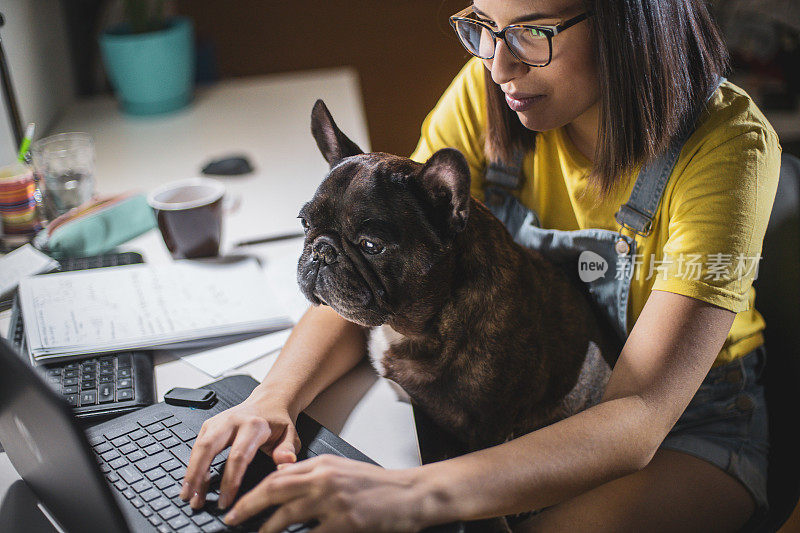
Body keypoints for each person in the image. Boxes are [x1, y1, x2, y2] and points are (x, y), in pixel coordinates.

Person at [180, 0, 782, 531]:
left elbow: (639, 415)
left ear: (630, 20)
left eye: (532, 32)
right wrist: (271, 400)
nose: (497, 66)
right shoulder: (495, 93)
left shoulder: (726, 149)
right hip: (535, 393)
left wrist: (407, 494)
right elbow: (379, 275)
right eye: (484, 26)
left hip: (684, 425)